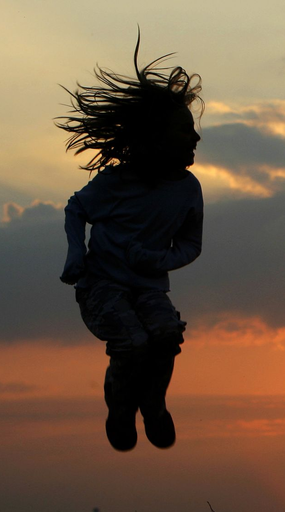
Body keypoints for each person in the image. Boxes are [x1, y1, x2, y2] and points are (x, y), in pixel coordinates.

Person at [57, 35, 203, 451]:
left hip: (150, 287)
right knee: (133, 342)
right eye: (184, 132)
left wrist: (159, 258)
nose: (195, 140)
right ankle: (120, 411)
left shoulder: (188, 190)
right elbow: (75, 209)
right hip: (102, 287)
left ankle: (154, 406)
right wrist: (76, 255)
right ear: (156, 137)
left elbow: (192, 245)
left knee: (164, 334)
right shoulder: (117, 181)